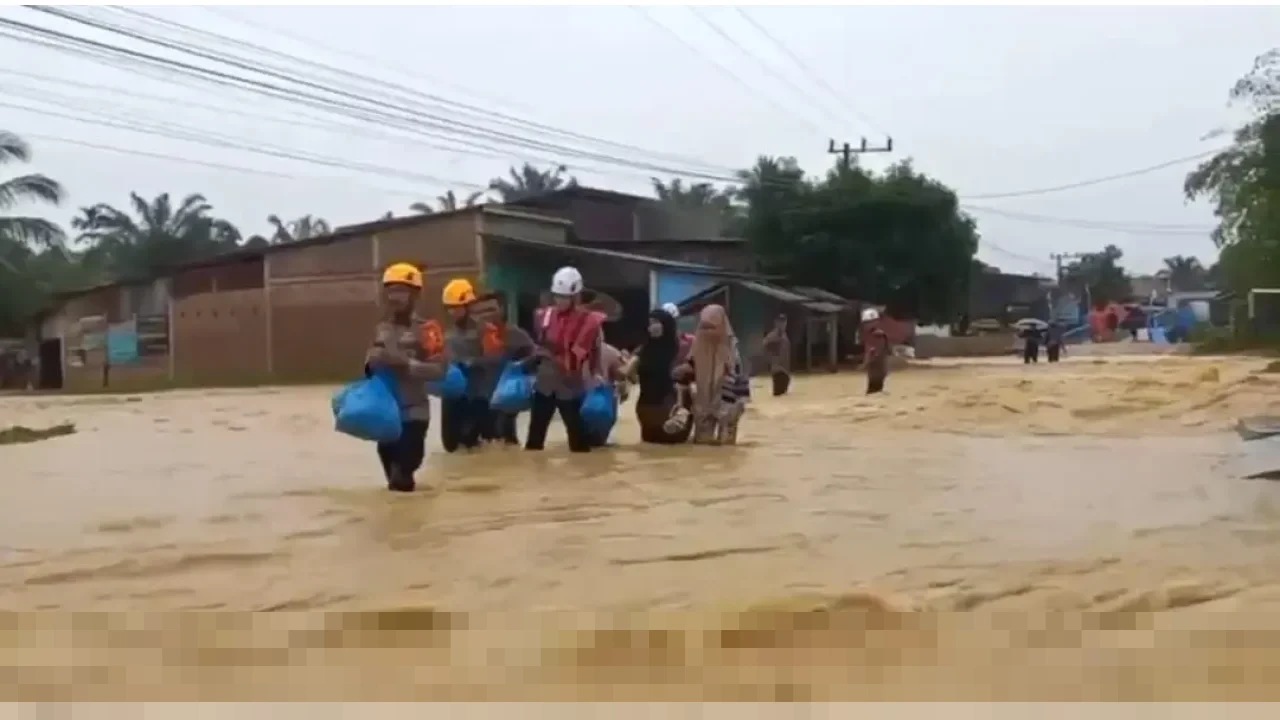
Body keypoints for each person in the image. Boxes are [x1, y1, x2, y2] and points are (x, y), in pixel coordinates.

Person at [364, 262, 446, 492]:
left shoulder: (428, 329)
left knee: (402, 475)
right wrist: (371, 363)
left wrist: (406, 363)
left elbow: (440, 371)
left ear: (415, 294)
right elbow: (369, 366)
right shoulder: (381, 328)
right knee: (396, 486)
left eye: (401, 291)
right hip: (386, 414)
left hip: (414, 414)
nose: (394, 297)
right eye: (390, 291)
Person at [525, 266, 606, 453]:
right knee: (534, 440)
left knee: (578, 442)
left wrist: (596, 373)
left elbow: (591, 351)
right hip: (545, 383)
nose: (560, 301)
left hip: (570, 384)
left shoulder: (589, 321)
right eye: (557, 296)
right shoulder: (543, 316)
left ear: (576, 297)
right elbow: (539, 344)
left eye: (564, 297)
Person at [674, 304, 750, 445]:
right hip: (703, 401)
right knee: (702, 443)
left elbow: (739, 376)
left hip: (727, 400)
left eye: (711, 327)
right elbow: (689, 367)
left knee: (726, 445)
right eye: (704, 327)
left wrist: (739, 402)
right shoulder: (698, 344)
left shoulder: (731, 348)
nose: (707, 331)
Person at [626, 308, 693, 444]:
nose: (652, 326)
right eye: (650, 323)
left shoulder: (680, 348)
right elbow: (628, 374)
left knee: (660, 444)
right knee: (659, 446)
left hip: (659, 406)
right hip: (655, 406)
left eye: (656, 322)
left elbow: (628, 373)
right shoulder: (645, 349)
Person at [438, 278, 489, 453]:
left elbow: (496, 360)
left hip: (476, 396)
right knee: (450, 446)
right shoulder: (447, 335)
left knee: (472, 445)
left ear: (468, 306)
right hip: (452, 398)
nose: (452, 312)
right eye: (449, 308)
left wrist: (473, 362)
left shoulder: (484, 330)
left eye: (456, 307)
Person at [475, 297, 533, 446]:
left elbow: (536, 358)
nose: (486, 315)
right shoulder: (472, 337)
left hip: (505, 397)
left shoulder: (516, 335)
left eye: (491, 309)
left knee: (505, 441)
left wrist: (519, 365)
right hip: (479, 399)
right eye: (481, 311)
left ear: (501, 310)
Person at [762, 313, 792, 397]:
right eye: (780, 322)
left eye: (784, 322)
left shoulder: (784, 335)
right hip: (778, 370)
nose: (782, 324)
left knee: (784, 398)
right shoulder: (773, 335)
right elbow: (765, 345)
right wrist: (772, 358)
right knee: (779, 396)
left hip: (785, 371)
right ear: (776, 323)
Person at [862, 307, 890, 395]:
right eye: (865, 323)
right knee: (873, 390)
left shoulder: (878, 335)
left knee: (874, 391)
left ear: (876, 322)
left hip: (877, 369)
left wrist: (866, 362)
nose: (866, 325)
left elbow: (875, 352)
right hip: (874, 369)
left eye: (869, 322)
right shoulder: (869, 335)